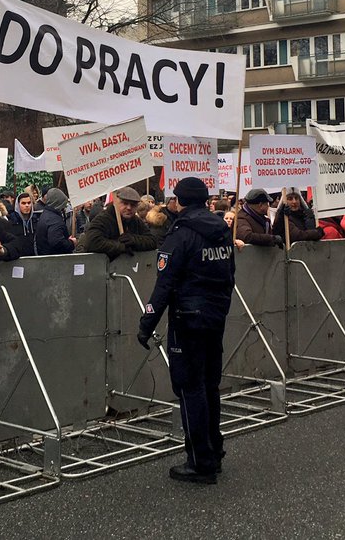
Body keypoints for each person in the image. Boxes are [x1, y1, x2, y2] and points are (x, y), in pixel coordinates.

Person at [137, 177, 234, 485]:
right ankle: (214, 451)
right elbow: (230, 274)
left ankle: (200, 462)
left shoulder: (180, 236)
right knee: (209, 386)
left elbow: (163, 286)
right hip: (215, 317)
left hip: (187, 319)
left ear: (179, 201)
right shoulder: (221, 231)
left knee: (189, 388)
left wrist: (145, 324)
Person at [78, 187, 156, 260]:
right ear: (115, 203)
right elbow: (92, 243)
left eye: (133, 205)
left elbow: (152, 241)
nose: (129, 208)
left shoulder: (136, 221)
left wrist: (133, 240)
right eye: (125, 203)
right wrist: (121, 246)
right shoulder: (103, 219)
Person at [33, 188, 76, 255]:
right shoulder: (55, 220)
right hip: (54, 260)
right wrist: (71, 243)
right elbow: (57, 242)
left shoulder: (45, 214)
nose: (65, 207)